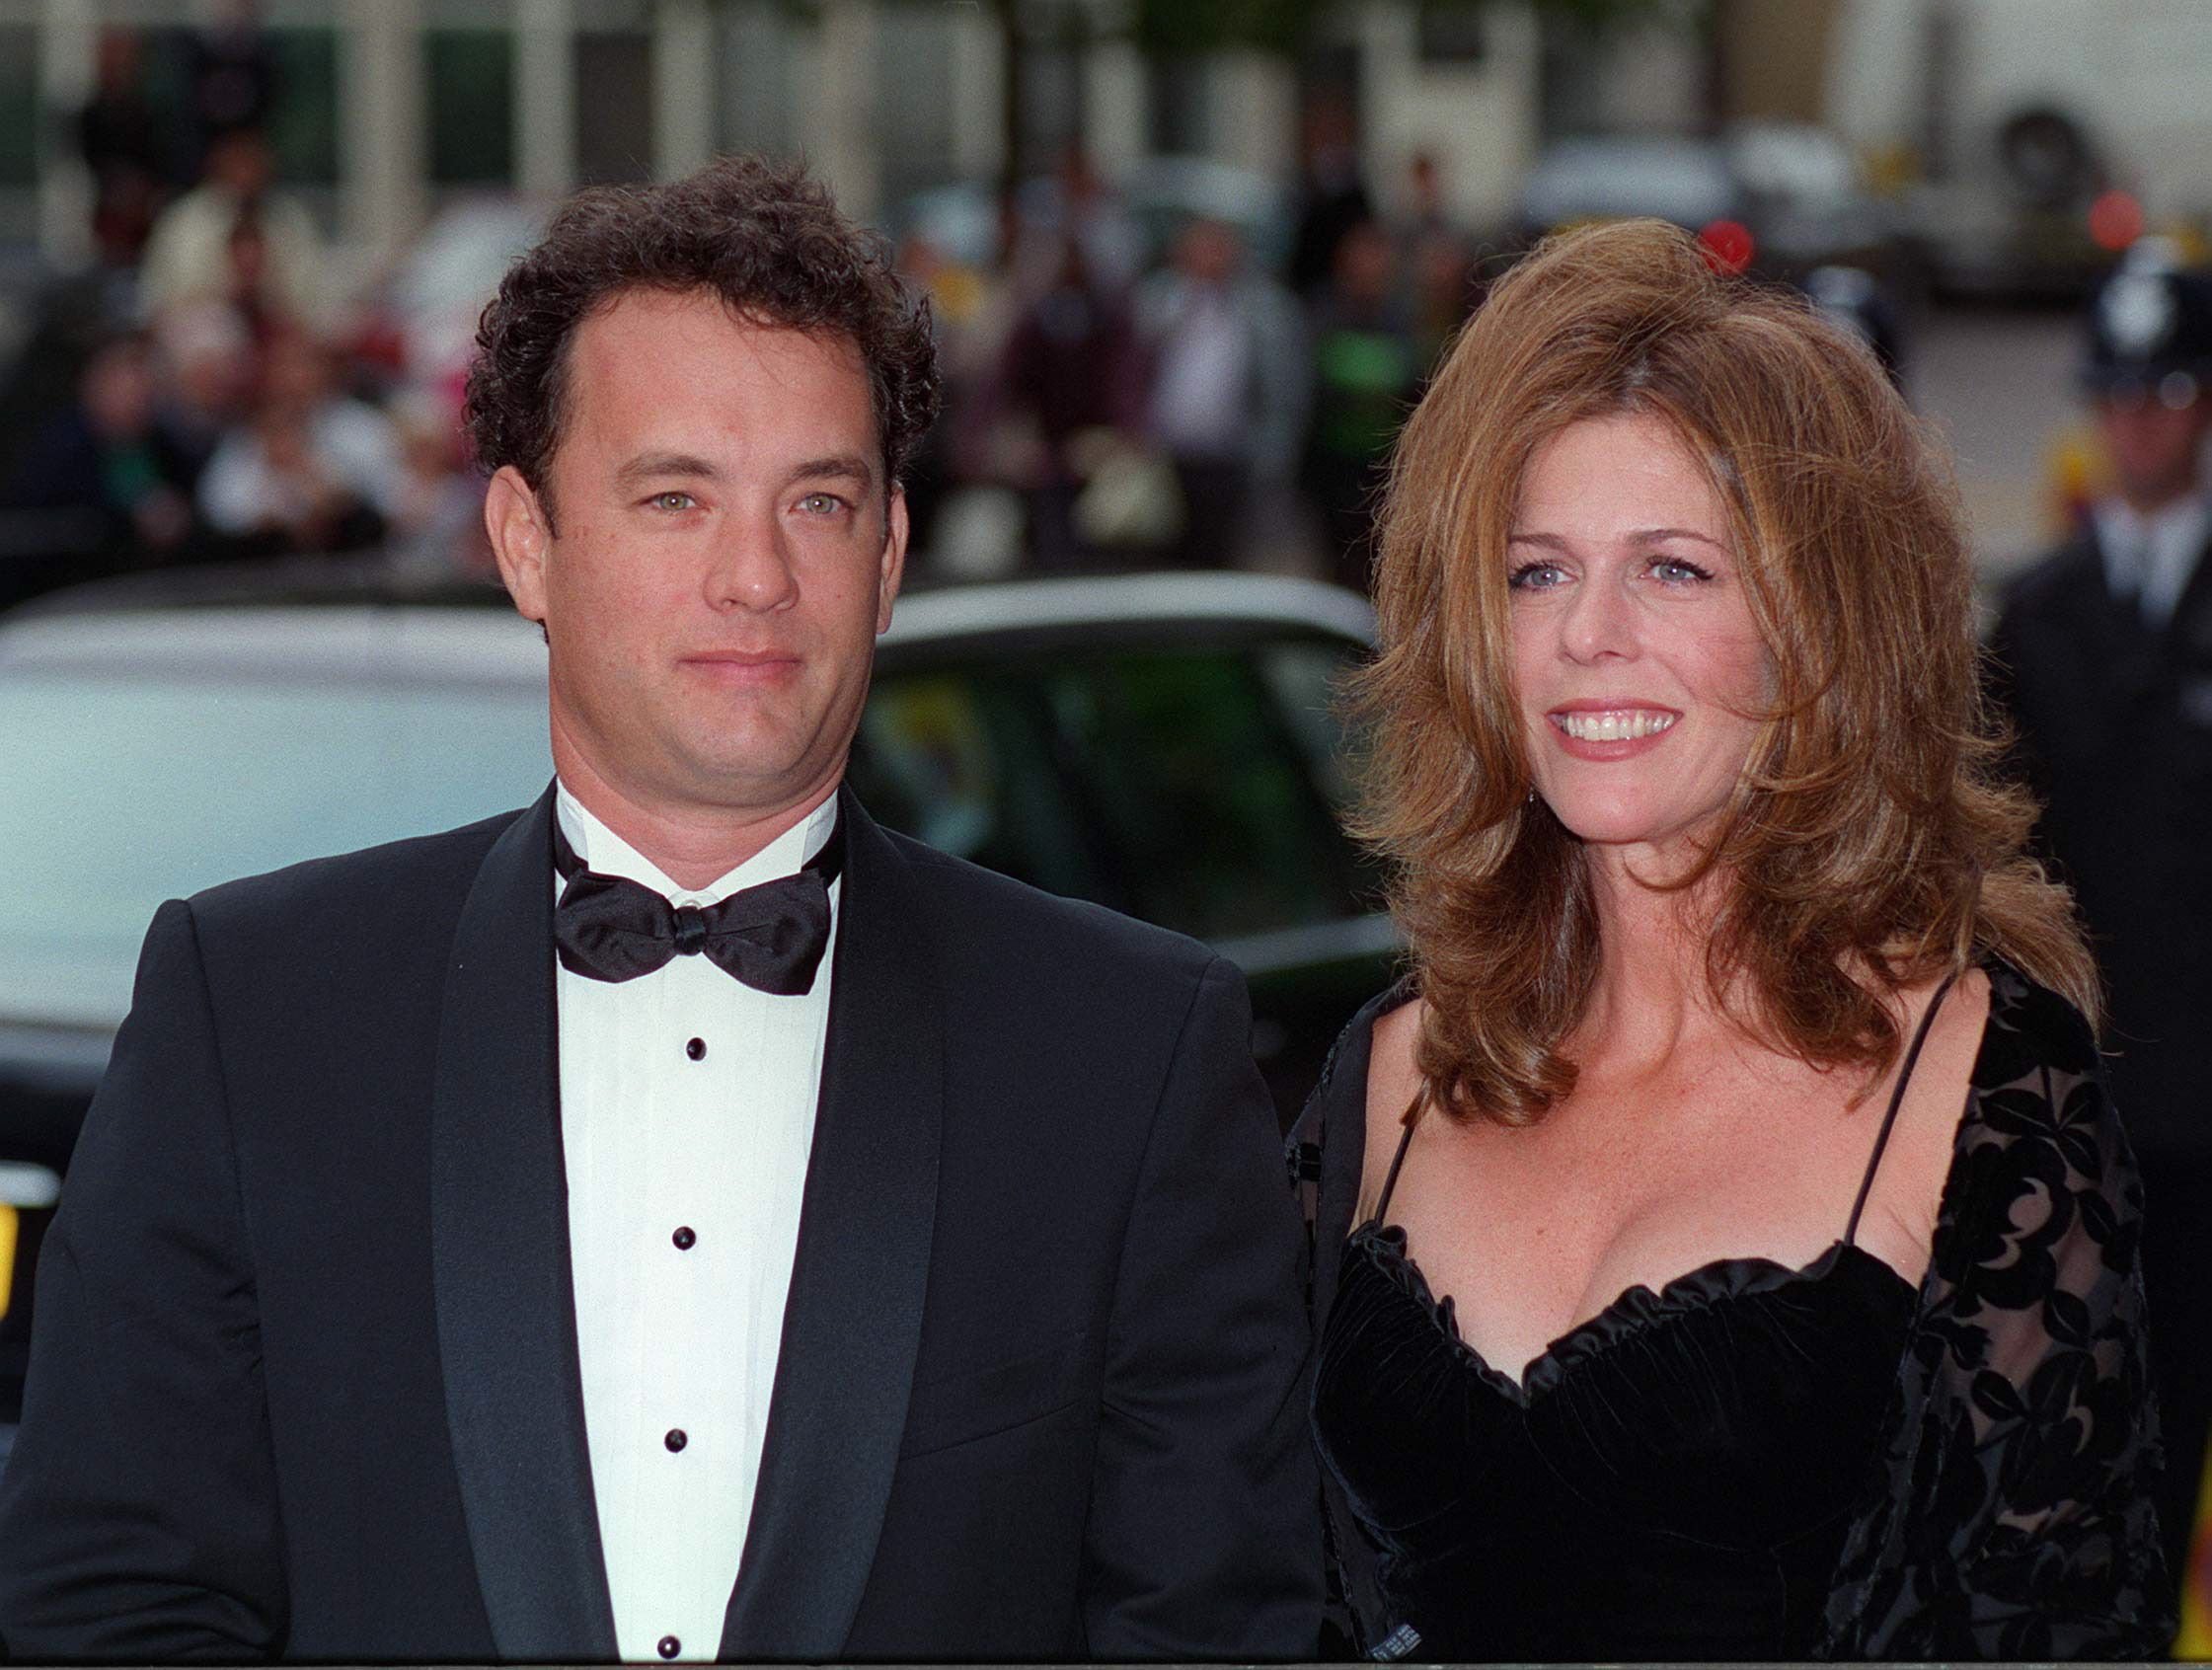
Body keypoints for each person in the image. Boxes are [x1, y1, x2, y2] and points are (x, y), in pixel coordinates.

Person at [0, 155, 1319, 1663]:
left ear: (888, 558)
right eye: (674, 496)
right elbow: (111, 1608)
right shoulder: (254, 1013)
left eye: (816, 501)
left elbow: (1206, 1627)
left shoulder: (1126, 1054)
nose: (753, 576)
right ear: (524, 542)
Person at [1291, 218, 2171, 1660]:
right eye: (1535, 572)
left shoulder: (1979, 1088)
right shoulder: (1382, 1080)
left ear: (1816, 627)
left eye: (1674, 570)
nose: (1588, 635)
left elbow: (2059, 1625)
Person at [1988, 251, 2212, 1593]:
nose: (2136, 422)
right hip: (2084, 1112)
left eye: (2167, 392)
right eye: (2115, 393)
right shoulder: (2036, 614)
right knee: (2072, 1439)